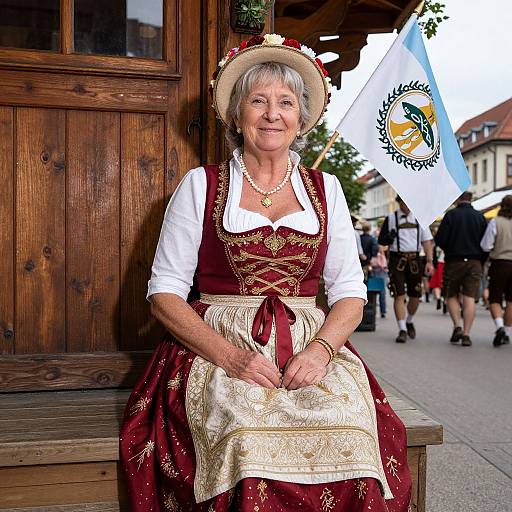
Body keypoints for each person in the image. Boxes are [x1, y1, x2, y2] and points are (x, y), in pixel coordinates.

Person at [120, 33, 411, 512]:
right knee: (247, 443)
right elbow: (164, 294)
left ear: (301, 119)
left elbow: (351, 293)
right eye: (258, 101)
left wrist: (320, 351)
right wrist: (232, 359)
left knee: (354, 437)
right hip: (216, 345)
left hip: (309, 345)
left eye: (285, 102)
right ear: (238, 115)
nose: (272, 113)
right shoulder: (202, 185)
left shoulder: (328, 189)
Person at [378, 196, 434, 343]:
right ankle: (402, 329)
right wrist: (389, 238)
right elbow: (381, 241)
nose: (408, 206)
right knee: (398, 294)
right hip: (397, 260)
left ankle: (409, 320)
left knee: (416, 295)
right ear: (399, 203)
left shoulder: (421, 219)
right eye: (404, 202)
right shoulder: (390, 219)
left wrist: (429, 261)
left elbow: (427, 242)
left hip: (415, 260)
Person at [435, 191, 487, 346]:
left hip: (454, 261)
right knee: (469, 297)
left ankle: (457, 325)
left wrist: (450, 248)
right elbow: (486, 243)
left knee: (451, 295)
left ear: (458, 199)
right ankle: (466, 334)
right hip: (475, 261)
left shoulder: (451, 216)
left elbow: (440, 239)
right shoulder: (480, 217)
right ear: (471, 199)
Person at [480, 194, 512, 347]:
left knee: (495, 298)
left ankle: (500, 327)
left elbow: (486, 245)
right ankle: (507, 332)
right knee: (511, 301)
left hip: (500, 264)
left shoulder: (496, 222)